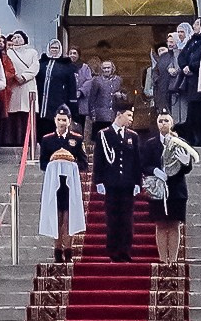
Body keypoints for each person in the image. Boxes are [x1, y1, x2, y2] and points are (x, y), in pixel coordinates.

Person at [92, 95, 157, 265]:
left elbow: (137, 161)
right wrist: (98, 181)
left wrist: (138, 182)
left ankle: (125, 251)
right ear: (119, 114)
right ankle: (113, 251)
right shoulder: (104, 135)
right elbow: (99, 159)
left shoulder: (133, 136)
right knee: (113, 219)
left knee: (127, 221)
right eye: (129, 115)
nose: (131, 119)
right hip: (111, 184)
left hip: (127, 184)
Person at [36, 106, 87, 260]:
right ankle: (57, 250)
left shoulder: (76, 139)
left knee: (68, 218)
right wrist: (54, 162)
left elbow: (83, 164)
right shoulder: (47, 140)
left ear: (69, 121)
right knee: (56, 218)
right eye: (59, 119)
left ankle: (69, 250)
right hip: (54, 186)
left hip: (70, 186)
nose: (61, 123)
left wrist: (70, 164)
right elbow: (43, 164)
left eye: (64, 120)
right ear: (55, 120)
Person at [147, 102, 195, 265]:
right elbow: (144, 164)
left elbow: (188, 168)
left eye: (166, 121)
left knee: (174, 225)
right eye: (160, 121)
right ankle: (162, 259)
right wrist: (155, 171)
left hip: (176, 189)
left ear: (172, 123)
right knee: (160, 225)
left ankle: (173, 259)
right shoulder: (150, 143)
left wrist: (186, 162)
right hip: (158, 189)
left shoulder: (180, 142)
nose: (163, 124)